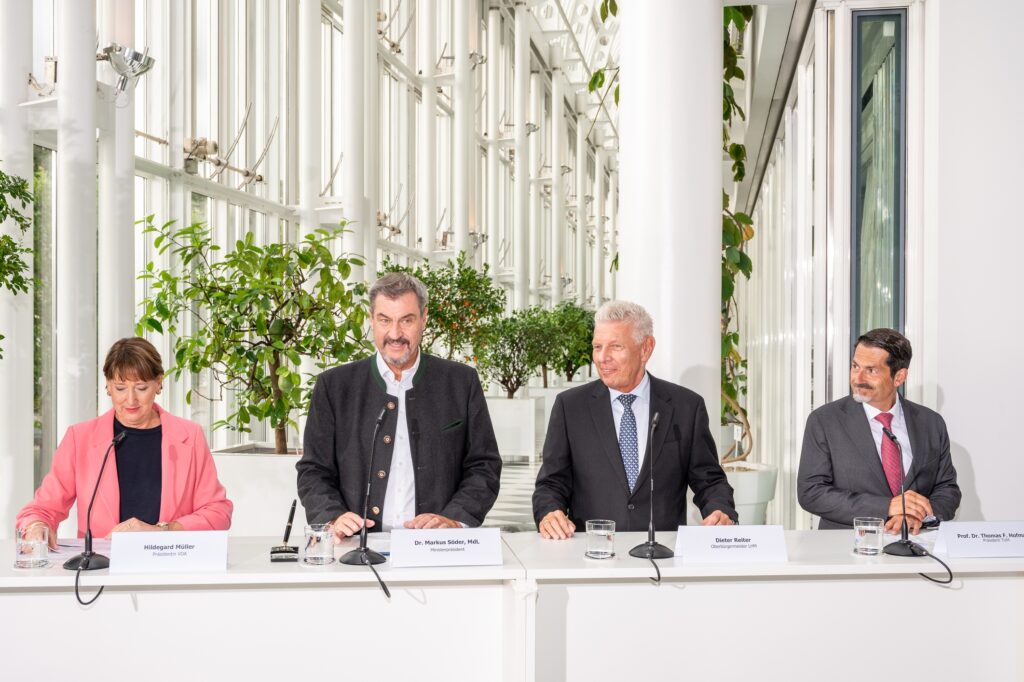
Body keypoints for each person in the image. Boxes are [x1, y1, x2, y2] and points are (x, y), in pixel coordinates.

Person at [297, 272, 501, 540]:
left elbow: (484, 465)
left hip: (437, 546)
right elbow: (313, 470)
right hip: (354, 547)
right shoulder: (334, 386)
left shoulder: (461, 382)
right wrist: (333, 516)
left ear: (424, 319)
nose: (395, 334)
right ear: (371, 319)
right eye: (385, 320)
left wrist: (454, 519)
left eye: (406, 320)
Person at [533, 300, 737, 539]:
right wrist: (549, 512)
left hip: (662, 551)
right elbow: (551, 483)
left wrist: (720, 511)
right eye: (597, 346)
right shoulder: (570, 407)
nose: (602, 357)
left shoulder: (686, 407)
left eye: (616, 347)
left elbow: (710, 480)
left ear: (646, 348)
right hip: (592, 551)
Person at [16, 338, 233, 547]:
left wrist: (162, 531)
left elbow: (218, 512)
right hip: (103, 566)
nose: (130, 400)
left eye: (141, 388)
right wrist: (37, 526)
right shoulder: (79, 438)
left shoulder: (190, 436)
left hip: (169, 562)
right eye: (120, 388)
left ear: (158, 383)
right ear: (108, 386)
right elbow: (42, 509)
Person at [797, 328, 961, 533]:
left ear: (899, 377)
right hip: (846, 546)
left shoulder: (931, 423)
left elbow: (947, 490)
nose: (858, 378)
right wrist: (887, 507)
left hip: (916, 545)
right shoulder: (824, 420)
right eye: (855, 366)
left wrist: (916, 514)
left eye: (871, 370)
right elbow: (811, 492)